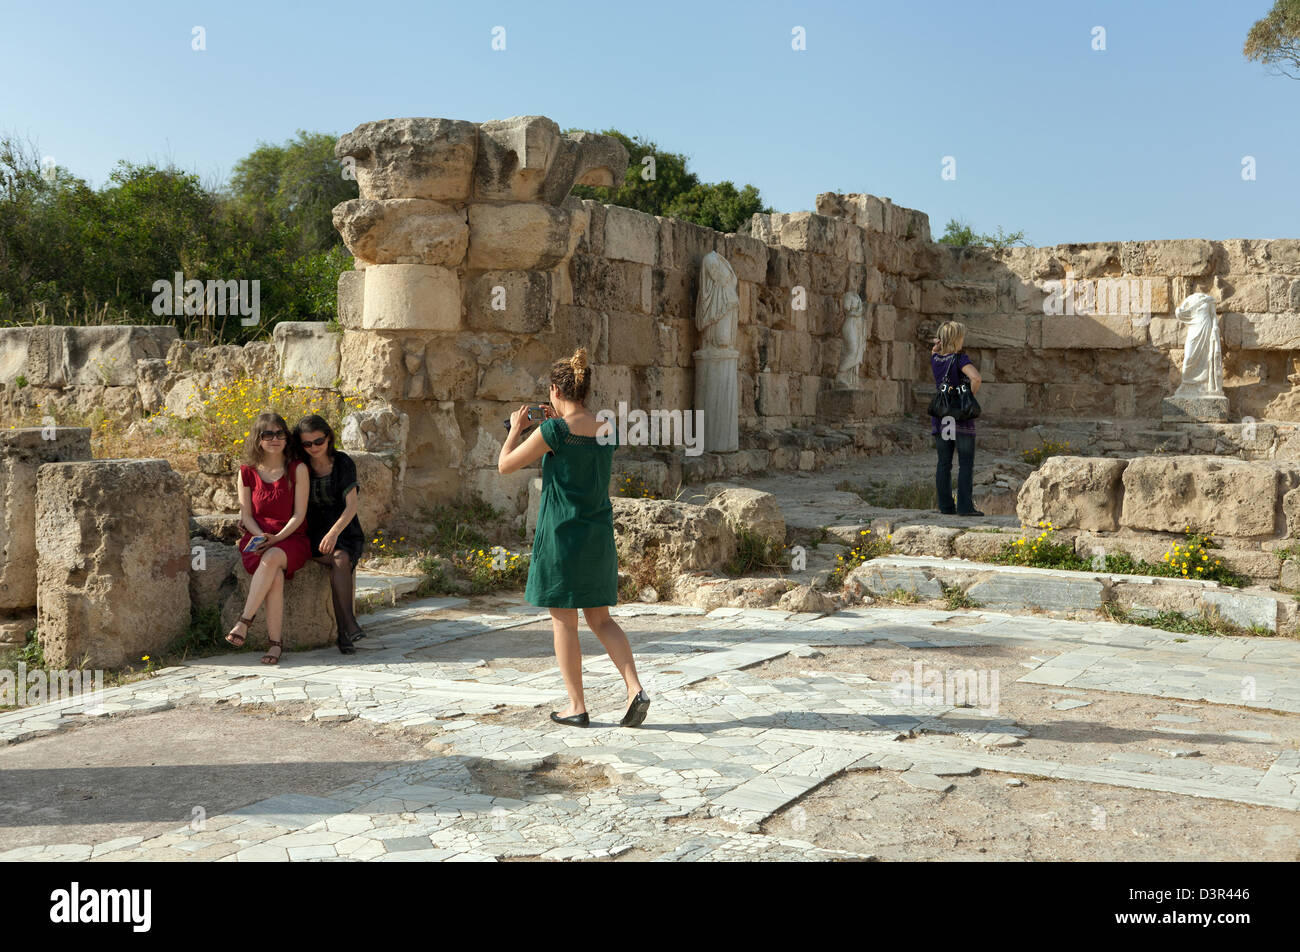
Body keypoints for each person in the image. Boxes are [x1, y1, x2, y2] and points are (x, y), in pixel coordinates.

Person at [497, 347, 650, 728]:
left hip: (562, 537)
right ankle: (635, 689)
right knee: (601, 619)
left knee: (563, 621)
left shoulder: (553, 431)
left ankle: (576, 706)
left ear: (554, 390)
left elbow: (505, 465)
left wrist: (518, 428)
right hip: (597, 536)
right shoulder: (606, 427)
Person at [226, 412, 312, 664]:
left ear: (287, 437)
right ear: (258, 439)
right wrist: (260, 536)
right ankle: (275, 645)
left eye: (280, 433)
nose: (275, 439)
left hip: (291, 537)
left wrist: (277, 538)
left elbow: (299, 514)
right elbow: (246, 515)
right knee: (273, 576)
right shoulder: (247, 472)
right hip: (257, 537)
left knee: (274, 556)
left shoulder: (298, 469)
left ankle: (244, 621)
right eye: (268, 434)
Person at [294, 414, 366, 655]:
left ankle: (345, 629)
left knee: (341, 558)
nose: (314, 447)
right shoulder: (300, 467)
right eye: (307, 444)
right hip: (311, 532)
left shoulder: (343, 462)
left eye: (319, 441)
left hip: (343, 531)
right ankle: (347, 628)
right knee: (339, 561)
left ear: (329, 438)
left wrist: (334, 533)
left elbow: (351, 506)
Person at [929, 320, 984, 517]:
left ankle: (946, 506)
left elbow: (935, 352)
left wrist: (937, 346)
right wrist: (968, 397)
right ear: (956, 338)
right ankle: (965, 507)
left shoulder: (935, 359)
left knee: (944, 463)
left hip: (942, 416)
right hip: (960, 416)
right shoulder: (960, 359)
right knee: (965, 463)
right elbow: (976, 378)